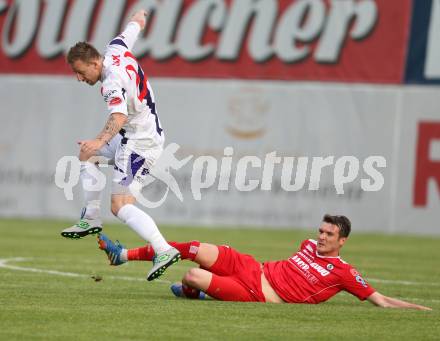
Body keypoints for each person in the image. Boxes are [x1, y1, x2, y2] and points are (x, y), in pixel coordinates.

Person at [60, 9, 180, 281]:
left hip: (141, 144)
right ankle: (90, 217)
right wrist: (141, 16)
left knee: (121, 205)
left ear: (93, 64)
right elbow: (133, 28)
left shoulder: (110, 81)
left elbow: (119, 116)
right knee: (87, 154)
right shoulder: (115, 47)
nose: (80, 79)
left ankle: (163, 249)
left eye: (80, 72)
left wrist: (99, 140)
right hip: (133, 138)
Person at [97, 214, 431, 310]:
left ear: (342, 240)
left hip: (257, 293)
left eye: (329, 234)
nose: (322, 236)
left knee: (193, 276)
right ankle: (122, 256)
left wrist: (421, 312)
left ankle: (194, 291)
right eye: (321, 231)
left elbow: (381, 301)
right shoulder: (307, 245)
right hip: (251, 267)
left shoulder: (343, 273)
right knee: (195, 247)